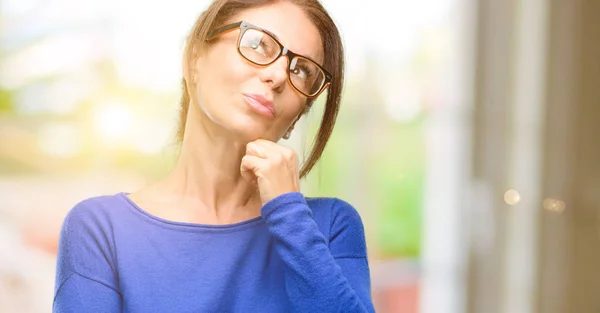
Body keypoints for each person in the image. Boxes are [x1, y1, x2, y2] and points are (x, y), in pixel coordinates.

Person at [53, 0, 375, 312]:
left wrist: (289, 213)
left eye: (303, 70)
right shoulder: (100, 230)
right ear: (194, 58)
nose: (277, 76)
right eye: (260, 44)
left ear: (297, 116)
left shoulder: (330, 227)